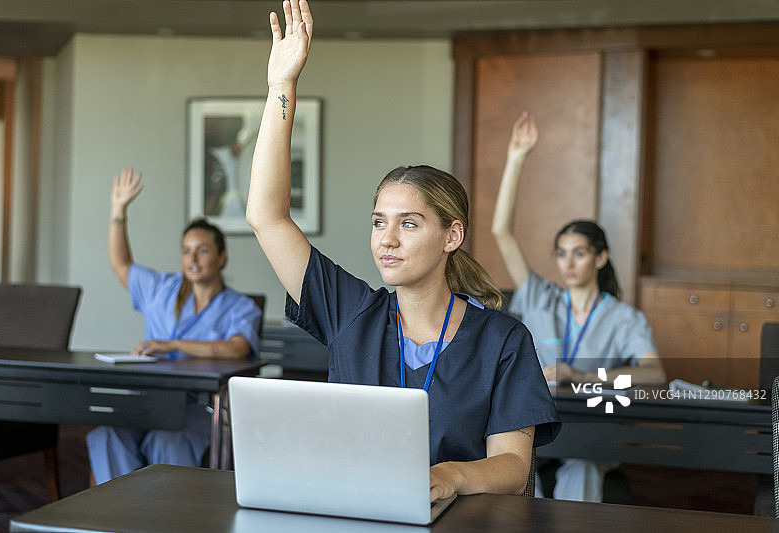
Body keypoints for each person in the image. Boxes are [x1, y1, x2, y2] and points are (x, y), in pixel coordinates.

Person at [245, 0, 560, 503]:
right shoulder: (350, 313)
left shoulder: (502, 340)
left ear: (451, 237)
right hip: (357, 508)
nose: (386, 240)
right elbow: (267, 217)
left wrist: (449, 477)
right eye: (378, 223)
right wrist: (281, 87)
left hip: (456, 517)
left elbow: (511, 466)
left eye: (408, 224)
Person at [491, 112, 666, 502]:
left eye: (580, 254)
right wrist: (516, 158)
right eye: (561, 254)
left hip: (595, 429)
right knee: (518, 468)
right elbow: (501, 232)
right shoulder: (540, 296)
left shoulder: (623, 317)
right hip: (537, 424)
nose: (568, 264)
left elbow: (654, 373)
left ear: (600, 258)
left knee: (582, 467)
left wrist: (583, 374)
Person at [86, 168, 262, 484]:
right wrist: (118, 211)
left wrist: (172, 345)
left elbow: (238, 348)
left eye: (203, 250)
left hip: (195, 408)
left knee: (166, 441)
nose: (192, 258)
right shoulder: (160, 289)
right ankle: (119, 519)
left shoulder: (240, 306)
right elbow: (121, 265)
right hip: (147, 399)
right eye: (186, 251)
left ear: (222, 257)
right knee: (107, 435)